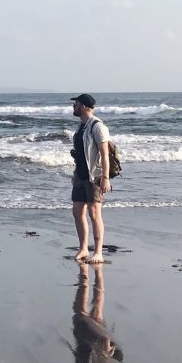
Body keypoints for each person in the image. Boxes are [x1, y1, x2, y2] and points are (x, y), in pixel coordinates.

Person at [69, 93, 111, 263]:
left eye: (76, 104)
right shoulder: (81, 127)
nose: (73, 107)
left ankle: (98, 251)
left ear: (84, 106)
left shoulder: (97, 126)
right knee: (77, 211)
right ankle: (83, 248)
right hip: (80, 175)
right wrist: (75, 172)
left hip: (95, 176)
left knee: (94, 213)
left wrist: (105, 178)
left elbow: (104, 154)